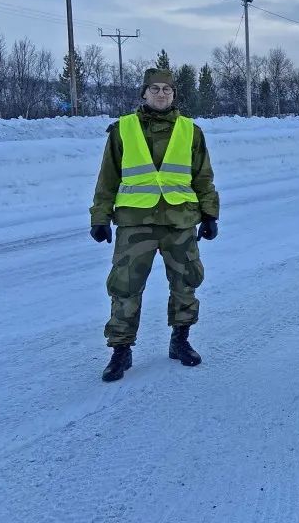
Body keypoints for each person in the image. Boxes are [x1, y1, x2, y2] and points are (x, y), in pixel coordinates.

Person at [89, 68, 220, 382]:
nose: (161, 94)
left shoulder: (191, 131)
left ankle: (181, 340)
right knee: (125, 287)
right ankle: (121, 350)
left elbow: (203, 177)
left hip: (180, 220)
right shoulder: (123, 130)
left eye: (167, 89)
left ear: (174, 94)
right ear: (144, 93)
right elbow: (108, 179)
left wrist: (210, 214)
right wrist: (100, 217)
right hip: (136, 223)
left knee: (186, 282)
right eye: (155, 89)